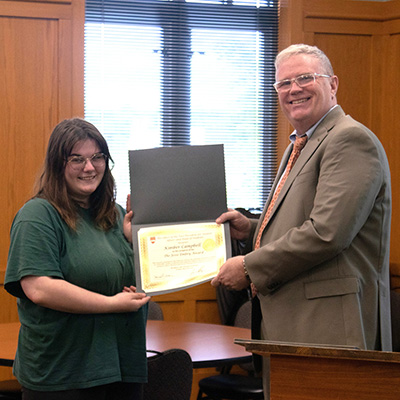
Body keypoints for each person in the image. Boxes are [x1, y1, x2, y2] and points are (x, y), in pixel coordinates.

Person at [211, 44, 392, 398]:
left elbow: (327, 232)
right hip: (293, 329)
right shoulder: (301, 143)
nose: (293, 89)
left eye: (305, 78)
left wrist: (248, 267)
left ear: (333, 84)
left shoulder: (349, 140)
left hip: (329, 331)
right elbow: (305, 216)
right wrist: (252, 227)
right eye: (283, 83)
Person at [5, 118, 150, 400]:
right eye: (77, 159)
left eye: (98, 157)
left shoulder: (118, 215)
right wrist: (110, 305)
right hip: (63, 374)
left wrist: (138, 243)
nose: (89, 167)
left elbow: (146, 281)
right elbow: (39, 288)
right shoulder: (38, 216)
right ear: (58, 165)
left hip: (121, 365)